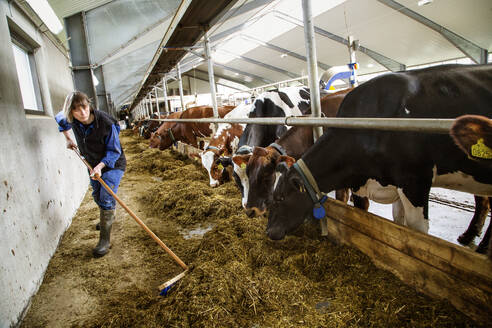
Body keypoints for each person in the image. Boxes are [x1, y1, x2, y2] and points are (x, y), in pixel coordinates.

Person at [55, 91, 126, 258]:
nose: (82, 112)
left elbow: (114, 152)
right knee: (97, 195)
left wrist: (100, 166)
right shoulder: (70, 119)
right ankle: (106, 219)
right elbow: (59, 118)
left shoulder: (106, 123)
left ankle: (104, 241)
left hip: (113, 164)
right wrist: (68, 138)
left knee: (106, 197)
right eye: (76, 109)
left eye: (84, 107)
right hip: (92, 164)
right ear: (70, 112)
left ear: (89, 105)